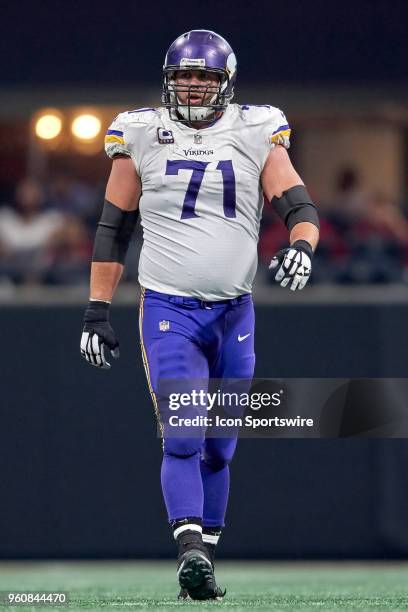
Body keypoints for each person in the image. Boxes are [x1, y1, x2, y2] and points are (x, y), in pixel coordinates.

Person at [80, 29, 319, 600]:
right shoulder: (140, 133)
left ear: (225, 84)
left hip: (235, 311)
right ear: (168, 80)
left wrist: (303, 246)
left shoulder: (256, 129)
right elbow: (114, 228)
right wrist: (96, 309)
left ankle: (203, 563)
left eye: (204, 77)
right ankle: (188, 549)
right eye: (184, 75)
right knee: (183, 433)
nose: (192, 85)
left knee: (222, 445)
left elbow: (298, 205)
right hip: (169, 308)